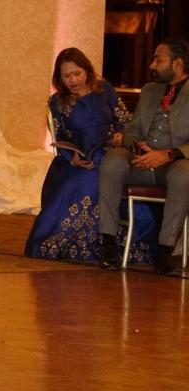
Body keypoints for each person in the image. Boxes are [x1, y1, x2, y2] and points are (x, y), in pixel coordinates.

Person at [24, 48, 133, 263]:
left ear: (87, 71)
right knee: (80, 180)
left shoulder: (104, 90)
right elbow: (60, 136)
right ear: (59, 77)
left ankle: (109, 242)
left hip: (111, 155)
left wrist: (122, 135)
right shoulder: (58, 102)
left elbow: (125, 119)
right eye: (66, 76)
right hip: (77, 158)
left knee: (102, 175)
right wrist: (70, 156)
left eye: (77, 74)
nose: (73, 80)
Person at [99, 38, 189, 275]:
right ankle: (107, 243)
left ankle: (165, 250)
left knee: (184, 173)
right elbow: (132, 129)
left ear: (177, 63)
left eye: (158, 59)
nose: (152, 65)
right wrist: (137, 146)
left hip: (174, 166)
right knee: (114, 159)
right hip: (141, 162)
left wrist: (167, 154)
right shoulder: (150, 90)